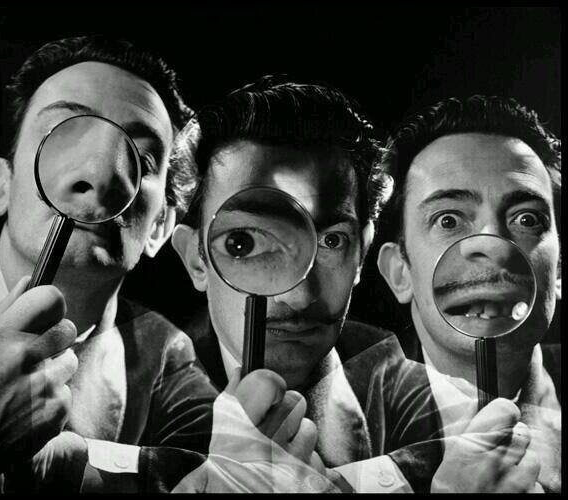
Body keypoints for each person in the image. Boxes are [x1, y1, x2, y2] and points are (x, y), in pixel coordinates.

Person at [0, 36, 328, 493]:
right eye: (63, 134)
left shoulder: (168, 360)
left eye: (143, 159)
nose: (102, 176)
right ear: (0, 186)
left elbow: (215, 471)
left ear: (160, 228)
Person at [171, 77, 542, 492]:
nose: (298, 295)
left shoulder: (432, 403)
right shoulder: (139, 399)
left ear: (362, 253)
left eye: (331, 241)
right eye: (244, 243)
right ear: (195, 259)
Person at [376, 95, 561, 492]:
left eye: (527, 219)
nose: (494, 247)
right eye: (448, 220)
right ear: (400, 272)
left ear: (560, 269)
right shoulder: (327, 427)